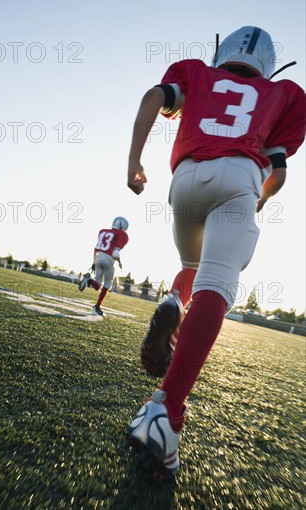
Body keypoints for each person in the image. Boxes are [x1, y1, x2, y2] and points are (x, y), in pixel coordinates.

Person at [126, 26, 306, 479]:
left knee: (192, 266)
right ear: (268, 63)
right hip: (239, 174)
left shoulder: (197, 74)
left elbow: (153, 96)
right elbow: (278, 171)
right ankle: (167, 412)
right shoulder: (285, 93)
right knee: (219, 282)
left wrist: (133, 161)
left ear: (221, 52)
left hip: (184, 181)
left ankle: (171, 302)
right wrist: (257, 199)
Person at [79, 216, 129, 315]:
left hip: (99, 257)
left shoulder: (103, 231)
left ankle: (88, 280)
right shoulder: (122, 234)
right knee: (107, 285)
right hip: (109, 259)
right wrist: (120, 262)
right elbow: (115, 254)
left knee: (97, 285)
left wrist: (93, 263)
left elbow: (95, 249)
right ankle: (97, 307)